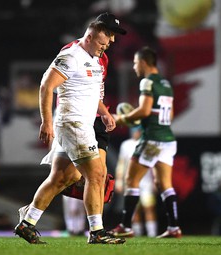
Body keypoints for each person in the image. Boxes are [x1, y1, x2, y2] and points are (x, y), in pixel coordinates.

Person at [14, 16, 126, 245]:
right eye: (108, 35)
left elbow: (91, 94)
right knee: (97, 174)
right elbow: (46, 85)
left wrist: (104, 112)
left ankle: (27, 223)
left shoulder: (96, 58)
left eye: (114, 36)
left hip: (81, 124)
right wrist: (46, 121)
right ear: (92, 34)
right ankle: (97, 232)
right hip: (72, 123)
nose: (111, 41)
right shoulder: (71, 55)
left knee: (63, 177)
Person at [109, 46, 182, 238]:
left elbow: (143, 110)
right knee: (164, 183)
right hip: (168, 140)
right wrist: (142, 118)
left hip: (152, 140)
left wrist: (122, 119)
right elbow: (170, 115)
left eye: (135, 63)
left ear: (143, 62)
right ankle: (174, 227)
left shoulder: (147, 83)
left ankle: (125, 226)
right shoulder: (166, 84)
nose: (134, 67)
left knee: (130, 180)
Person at [114, 126, 158, 237]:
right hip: (131, 182)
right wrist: (119, 181)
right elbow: (121, 163)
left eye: (138, 130)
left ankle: (152, 233)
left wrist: (155, 180)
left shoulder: (150, 144)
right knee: (134, 209)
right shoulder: (126, 144)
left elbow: (154, 165)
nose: (135, 132)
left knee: (149, 207)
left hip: (146, 181)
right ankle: (138, 233)